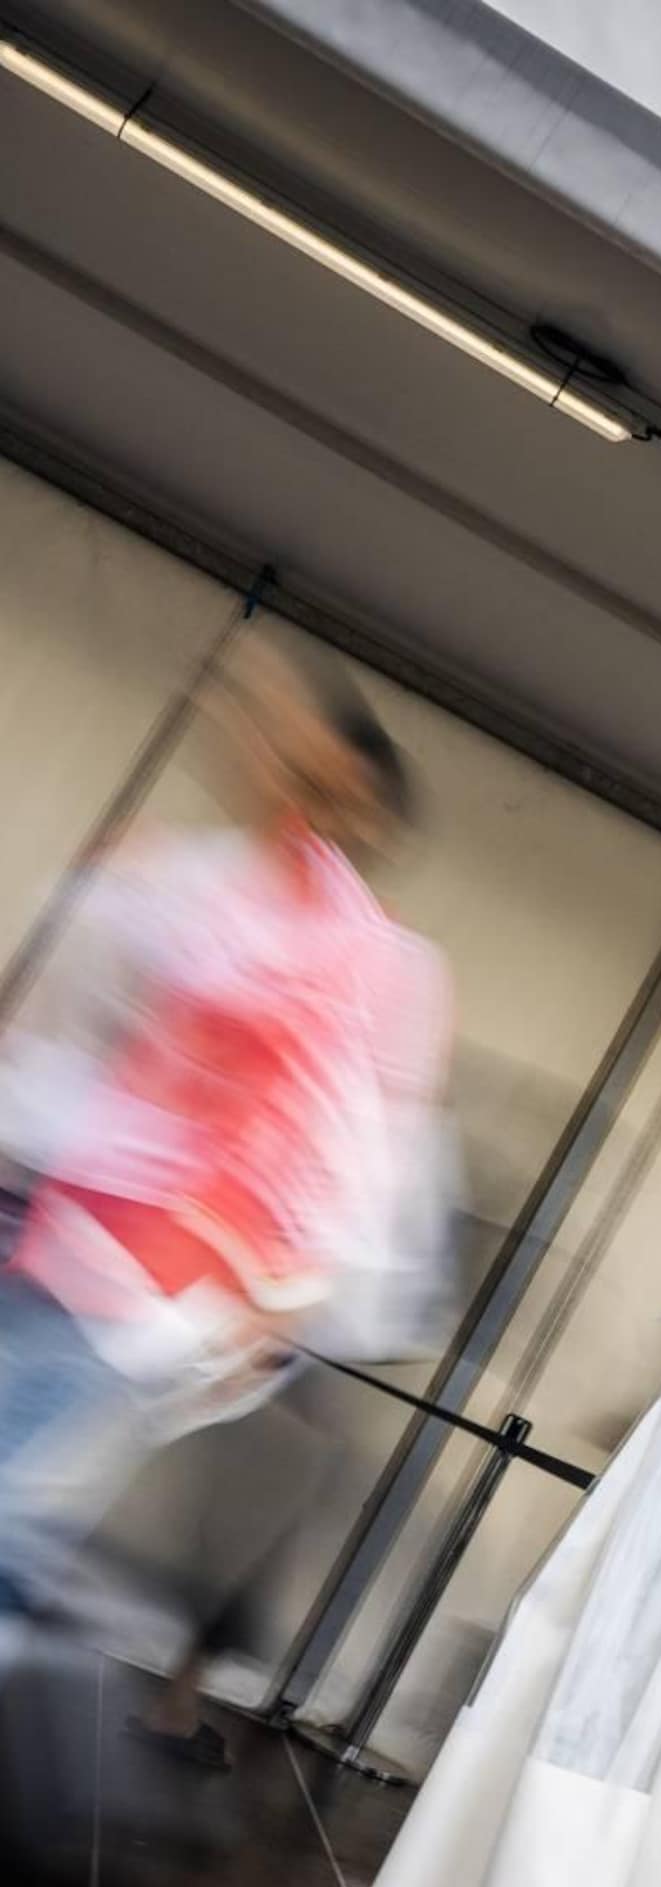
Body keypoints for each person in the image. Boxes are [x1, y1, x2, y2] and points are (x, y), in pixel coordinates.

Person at [0, 629, 452, 1665]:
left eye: (271, 718)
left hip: (152, 1283)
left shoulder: (371, 961)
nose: (242, 729)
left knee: (9, 1499)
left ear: (338, 780)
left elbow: (365, 1163)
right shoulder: (218, 888)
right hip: (79, 1247)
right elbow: (85, 1035)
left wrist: (282, 1297)